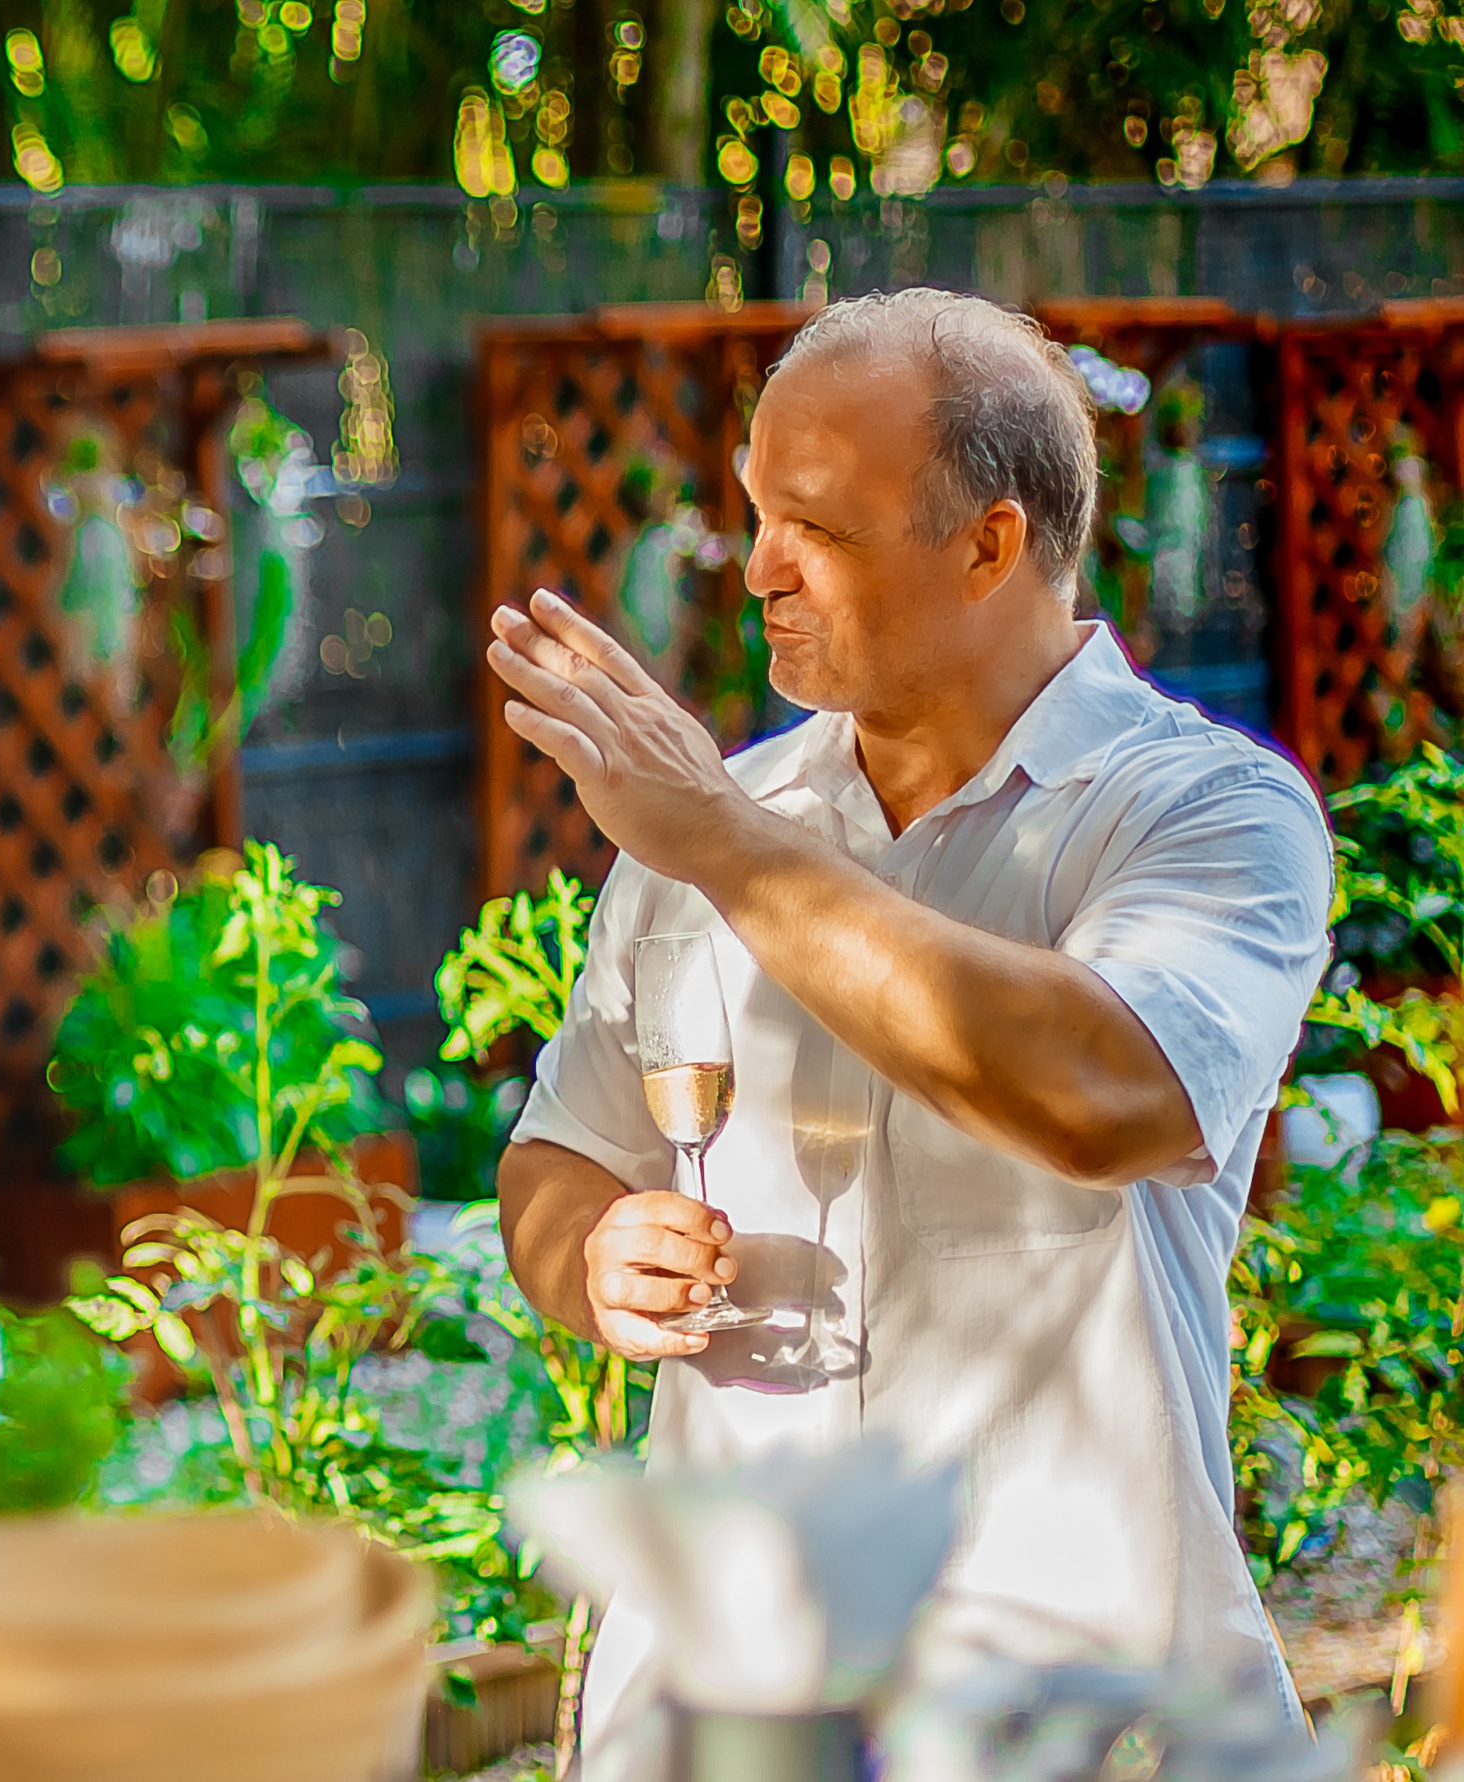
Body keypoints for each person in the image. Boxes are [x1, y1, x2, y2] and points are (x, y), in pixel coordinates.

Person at [489, 290, 1330, 1761]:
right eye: (758, 513)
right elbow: (559, 1157)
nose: (758, 570)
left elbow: (1103, 1087)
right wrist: (592, 1259)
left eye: (814, 527)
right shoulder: (709, 821)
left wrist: (728, 848)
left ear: (990, 544)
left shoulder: (1204, 815)